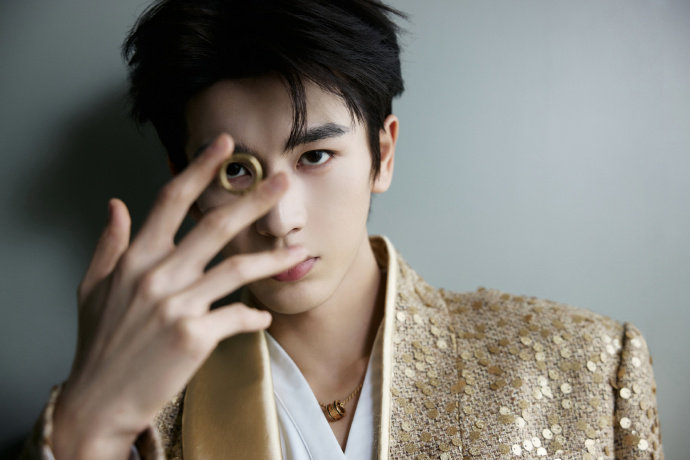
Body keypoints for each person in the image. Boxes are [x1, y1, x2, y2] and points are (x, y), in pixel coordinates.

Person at [22, 0, 663, 459]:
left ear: (383, 154)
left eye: (316, 156)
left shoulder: (584, 365)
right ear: (184, 184)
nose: (281, 219)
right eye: (236, 171)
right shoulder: (130, 420)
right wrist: (89, 426)